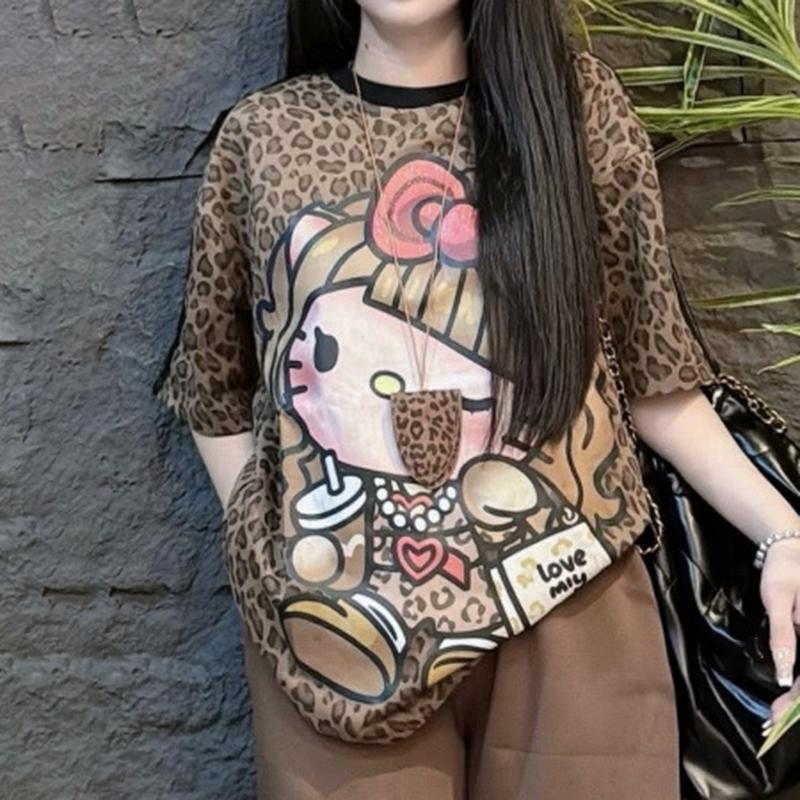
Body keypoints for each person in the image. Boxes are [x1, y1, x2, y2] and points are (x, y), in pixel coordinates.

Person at [152, 1, 800, 797]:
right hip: (336, 647)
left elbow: (654, 378)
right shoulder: (265, 137)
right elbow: (212, 385)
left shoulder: (578, 113)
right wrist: (265, 543)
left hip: (572, 605)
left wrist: (782, 534)